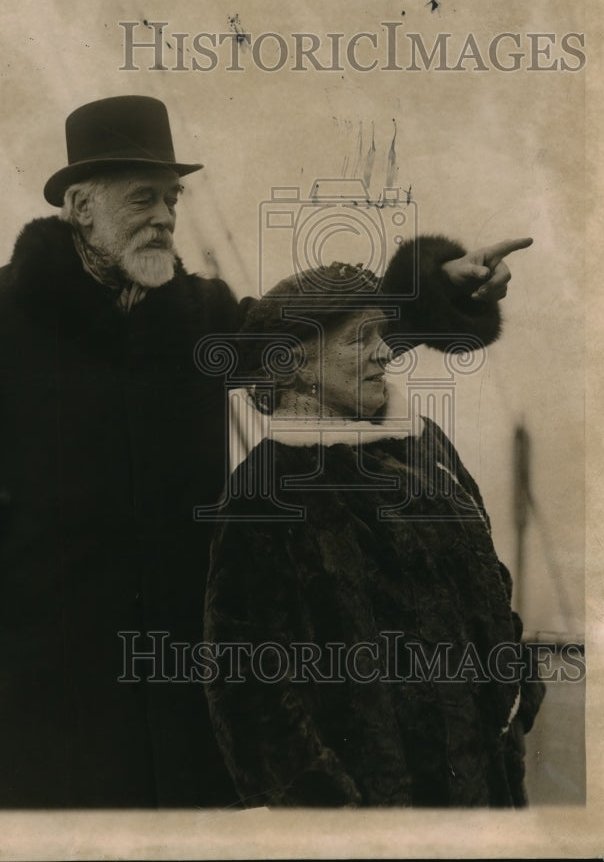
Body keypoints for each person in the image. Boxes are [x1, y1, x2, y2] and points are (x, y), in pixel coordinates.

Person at [0, 93, 531, 809]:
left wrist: (435, 294)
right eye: (142, 199)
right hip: (42, 694)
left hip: (182, 697)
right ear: (81, 207)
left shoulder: (201, 314)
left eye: (172, 200)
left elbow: (316, 343)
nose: (163, 217)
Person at [204, 256, 545, 808]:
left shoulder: (425, 444)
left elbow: (490, 579)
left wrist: (516, 698)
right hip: (383, 810)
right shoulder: (267, 490)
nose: (386, 352)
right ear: (293, 362)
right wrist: (332, 813)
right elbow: (249, 685)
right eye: (361, 338)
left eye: (382, 334)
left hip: (488, 789)